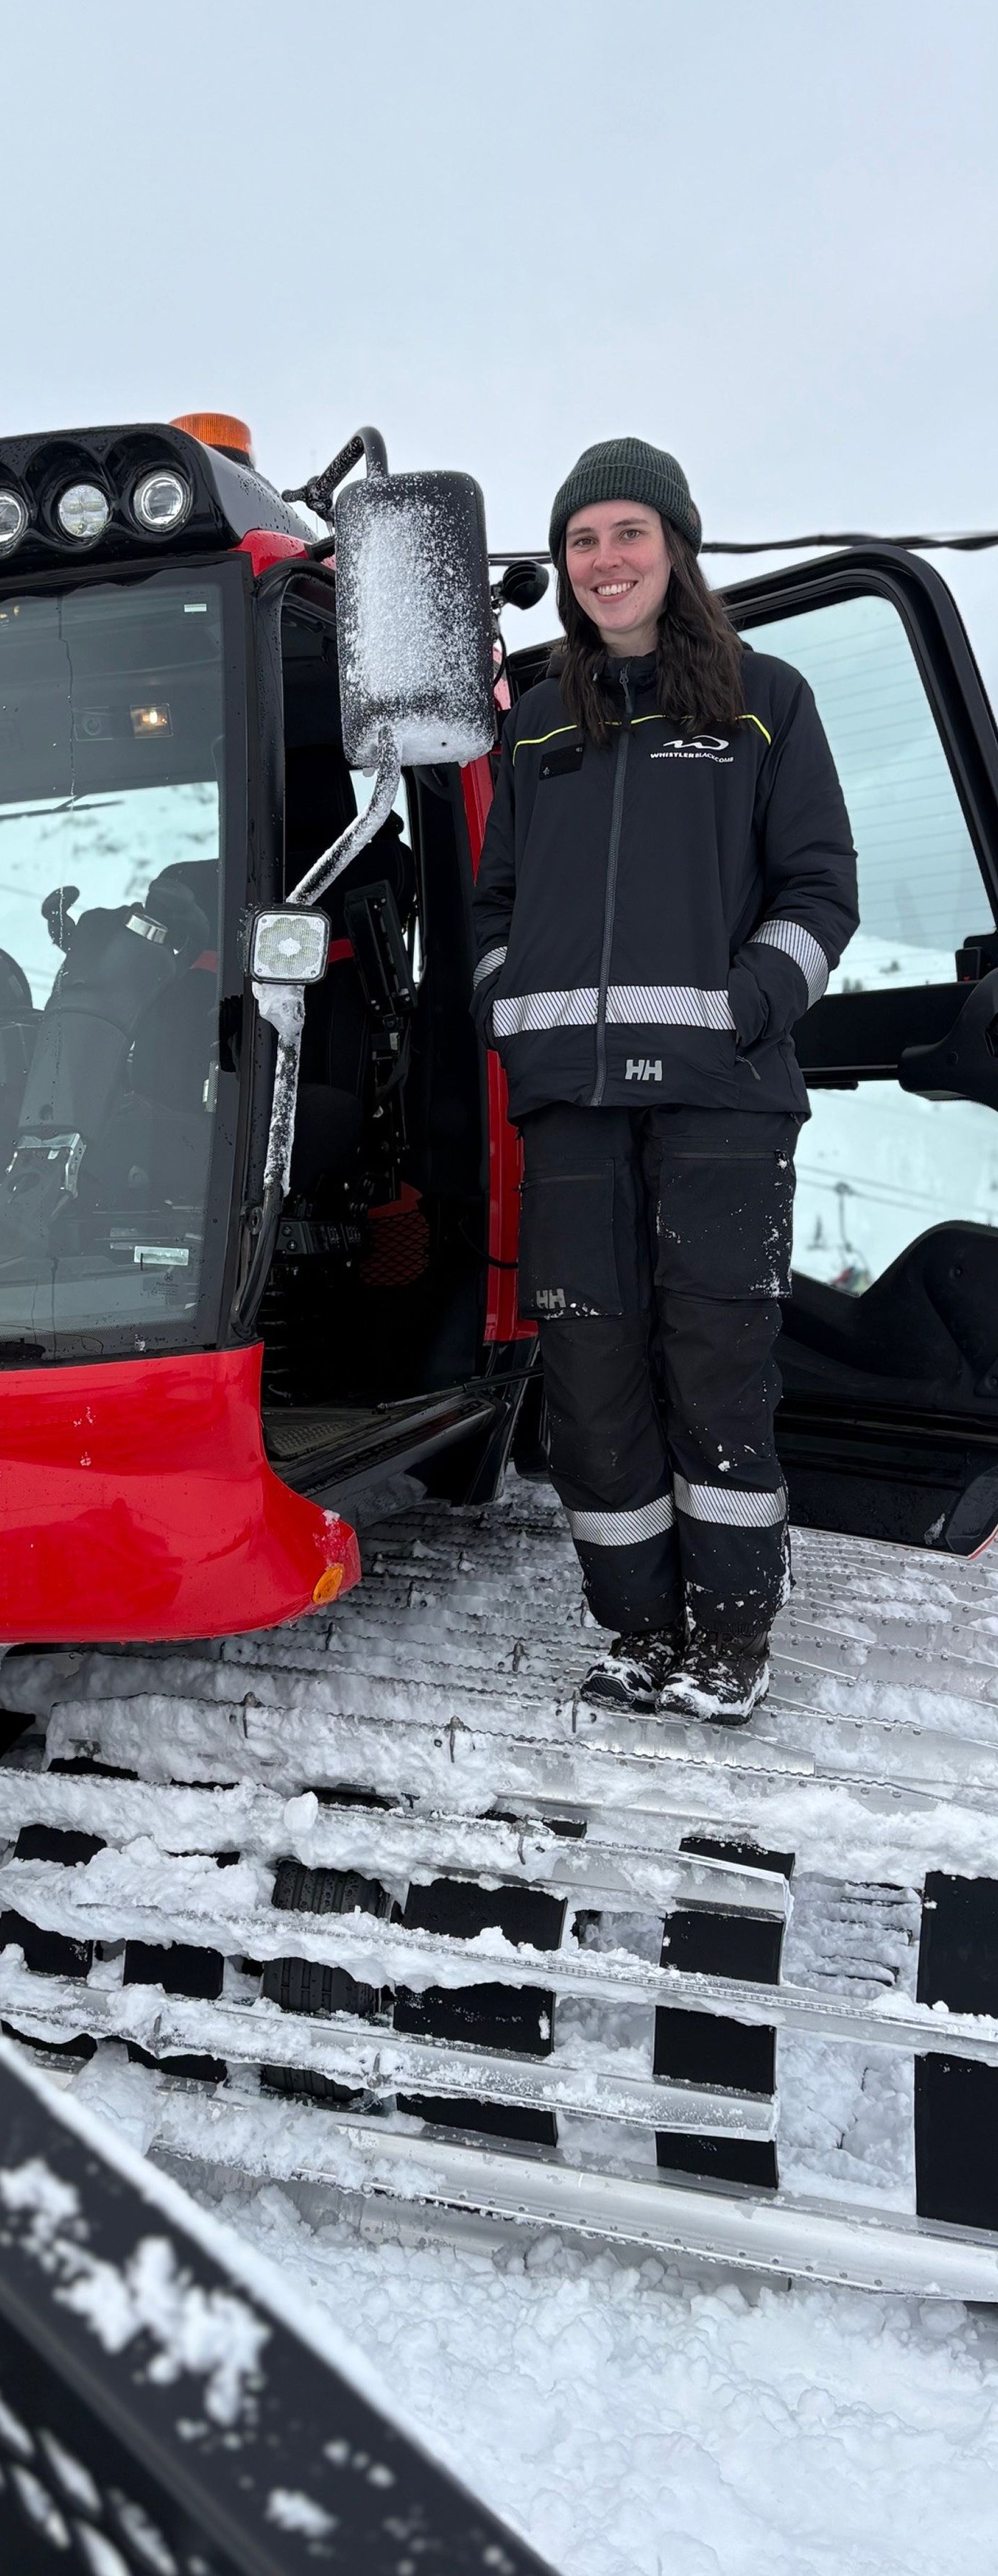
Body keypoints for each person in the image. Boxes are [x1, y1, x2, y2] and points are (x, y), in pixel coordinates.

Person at [471, 439, 858, 1721]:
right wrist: (502, 1009)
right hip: (573, 1107)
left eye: (628, 533)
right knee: (590, 1375)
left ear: (677, 547)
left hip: (722, 1104)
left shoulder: (764, 700)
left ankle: (732, 1630)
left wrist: (750, 1005)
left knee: (715, 1362)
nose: (605, 561)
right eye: (583, 540)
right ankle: (638, 1626)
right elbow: (496, 904)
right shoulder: (536, 723)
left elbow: (819, 892)